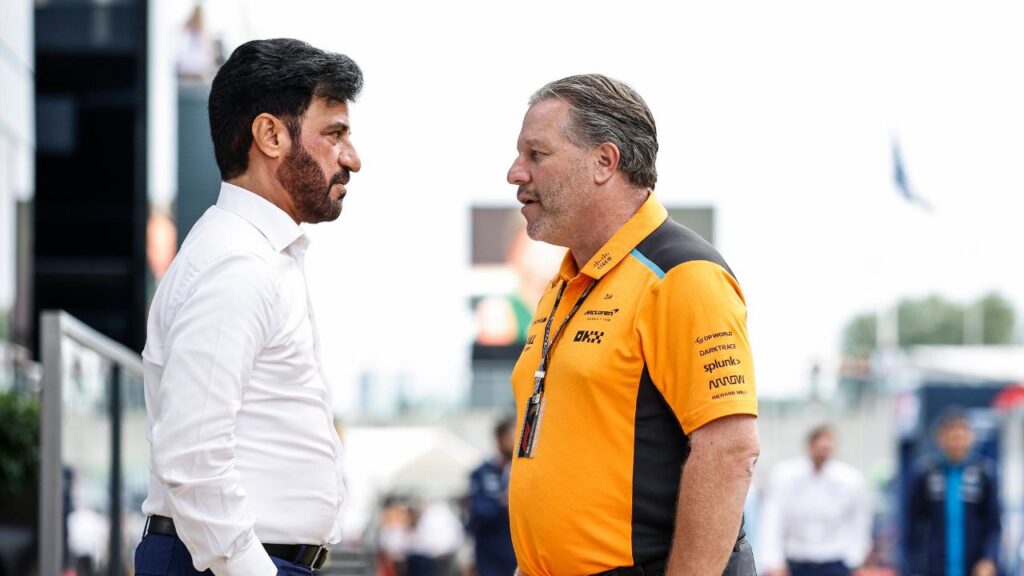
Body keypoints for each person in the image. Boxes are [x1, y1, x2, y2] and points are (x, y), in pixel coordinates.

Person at [505, 74, 760, 576]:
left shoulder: (682, 276)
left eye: (537, 154)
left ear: (604, 161)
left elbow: (730, 450)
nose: (515, 173)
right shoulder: (563, 284)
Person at [134, 38, 363, 576]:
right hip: (225, 563)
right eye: (334, 134)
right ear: (270, 135)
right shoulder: (235, 263)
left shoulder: (252, 254)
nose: (351, 157)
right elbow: (191, 457)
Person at [757, 425, 872, 576]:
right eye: (819, 441)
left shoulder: (850, 479)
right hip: (796, 561)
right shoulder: (785, 476)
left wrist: (856, 559)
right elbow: (773, 521)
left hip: (835, 561)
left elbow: (860, 521)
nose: (824, 447)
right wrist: (773, 562)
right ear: (809, 445)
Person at [904, 408, 1000, 576]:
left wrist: (988, 559)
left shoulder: (983, 474)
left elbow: (993, 525)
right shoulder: (926, 473)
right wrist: (913, 564)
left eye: (961, 436)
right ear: (940, 437)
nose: (957, 441)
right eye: (951, 436)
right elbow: (911, 523)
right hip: (934, 566)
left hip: (972, 565)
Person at [466, 417, 517, 576]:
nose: (516, 441)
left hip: (517, 554)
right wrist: (504, 502)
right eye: (511, 436)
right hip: (490, 555)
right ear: (499, 439)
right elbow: (478, 513)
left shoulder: (522, 471)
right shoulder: (481, 472)